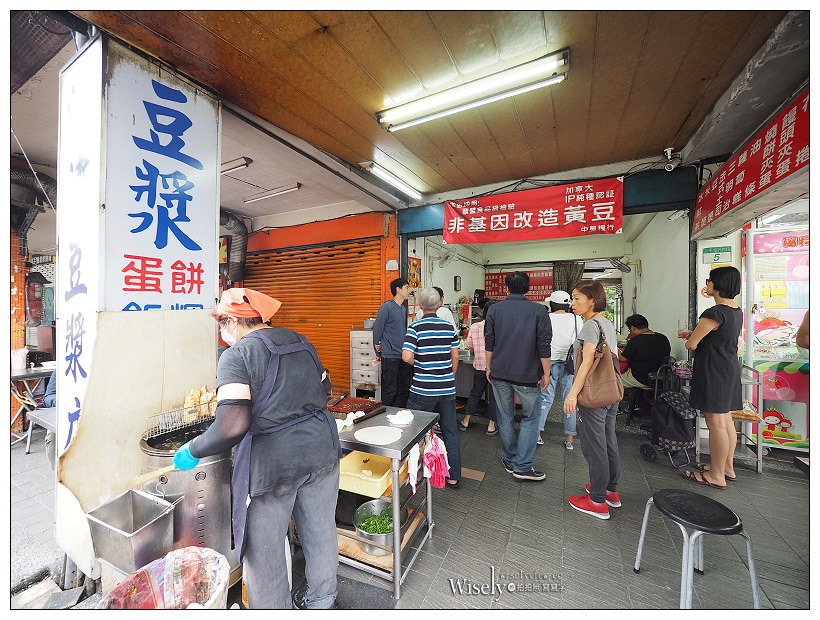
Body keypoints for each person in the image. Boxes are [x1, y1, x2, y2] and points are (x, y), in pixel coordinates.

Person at [173, 288, 340, 609]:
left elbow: (231, 424)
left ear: (234, 321)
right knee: (320, 530)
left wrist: (193, 449)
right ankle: (323, 601)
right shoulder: (300, 340)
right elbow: (325, 388)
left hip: (275, 464)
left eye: (222, 323)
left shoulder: (236, 356)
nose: (223, 331)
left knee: (264, 551)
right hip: (321, 449)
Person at [678, 266, 743, 489]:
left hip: (713, 370)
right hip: (728, 369)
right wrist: (695, 334)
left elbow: (691, 344)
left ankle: (716, 475)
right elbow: (719, 337)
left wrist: (691, 336)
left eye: (710, 280)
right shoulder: (735, 310)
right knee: (726, 421)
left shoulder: (714, 313)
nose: (707, 284)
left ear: (717, 284)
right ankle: (726, 468)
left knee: (716, 423)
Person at [484, 271, 552, 481]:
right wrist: (547, 373)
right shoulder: (539, 310)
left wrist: (488, 367)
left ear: (506, 288)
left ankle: (510, 459)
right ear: (528, 288)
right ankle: (522, 466)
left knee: (505, 416)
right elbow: (544, 344)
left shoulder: (494, 309)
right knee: (531, 418)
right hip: (527, 375)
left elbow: (489, 341)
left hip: (499, 372)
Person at [564, 281, 622, 519]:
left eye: (577, 298)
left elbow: (587, 362)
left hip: (594, 395)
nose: (573, 303)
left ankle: (597, 501)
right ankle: (610, 491)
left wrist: (572, 394)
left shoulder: (590, 325)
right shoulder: (607, 323)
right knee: (608, 441)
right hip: (611, 391)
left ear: (592, 301)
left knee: (594, 446)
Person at [402, 288, 462, 488]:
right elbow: (455, 356)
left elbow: (406, 357)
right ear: (439, 305)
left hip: (422, 390)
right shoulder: (448, 327)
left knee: (414, 431)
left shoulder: (415, 328)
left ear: (420, 305)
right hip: (447, 389)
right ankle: (453, 475)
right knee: (450, 431)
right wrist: (449, 376)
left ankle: (414, 472)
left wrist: (421, 364)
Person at [537, 291, 583, 449]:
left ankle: (538, 435)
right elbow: (580, 341)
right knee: (569, 399)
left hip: (548, 362)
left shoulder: (545, 318)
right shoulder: (576, 319)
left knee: (545, 398)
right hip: (569, 364)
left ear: (551, 304)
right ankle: (569, 439)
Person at [372, 277, 412, 407]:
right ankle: (386, 415)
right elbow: (377, 330)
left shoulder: (403, 309)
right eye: (406, 288)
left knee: (403, 389)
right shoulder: (387, 307)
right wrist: (377, 353)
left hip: (403, 355)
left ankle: (400, 414)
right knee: (390, 391)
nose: (409, 291)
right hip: (390, 356)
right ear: (398, 289)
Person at [461, 298, 498, 436]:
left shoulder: (475, 326)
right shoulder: (500, 327)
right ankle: (491, 426)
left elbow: (469, 346)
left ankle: (466, 421)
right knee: (494, 397)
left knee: (475, 393)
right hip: (495, 368)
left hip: (479, 366)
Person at [617, 314, 671, 388]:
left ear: (633, 328)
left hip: (641, 379)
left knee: (614, 381)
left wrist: (616, 349)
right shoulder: (663, 338)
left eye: (629, 330)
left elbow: (623, 358)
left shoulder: (635, 340)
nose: (630, 332)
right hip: (661, 378)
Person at [42, 370, 57, 470]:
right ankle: (58, 475)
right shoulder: (62, 367)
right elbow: (48, 398)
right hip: (65, 413)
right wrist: (60, 400)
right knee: (52, 437)